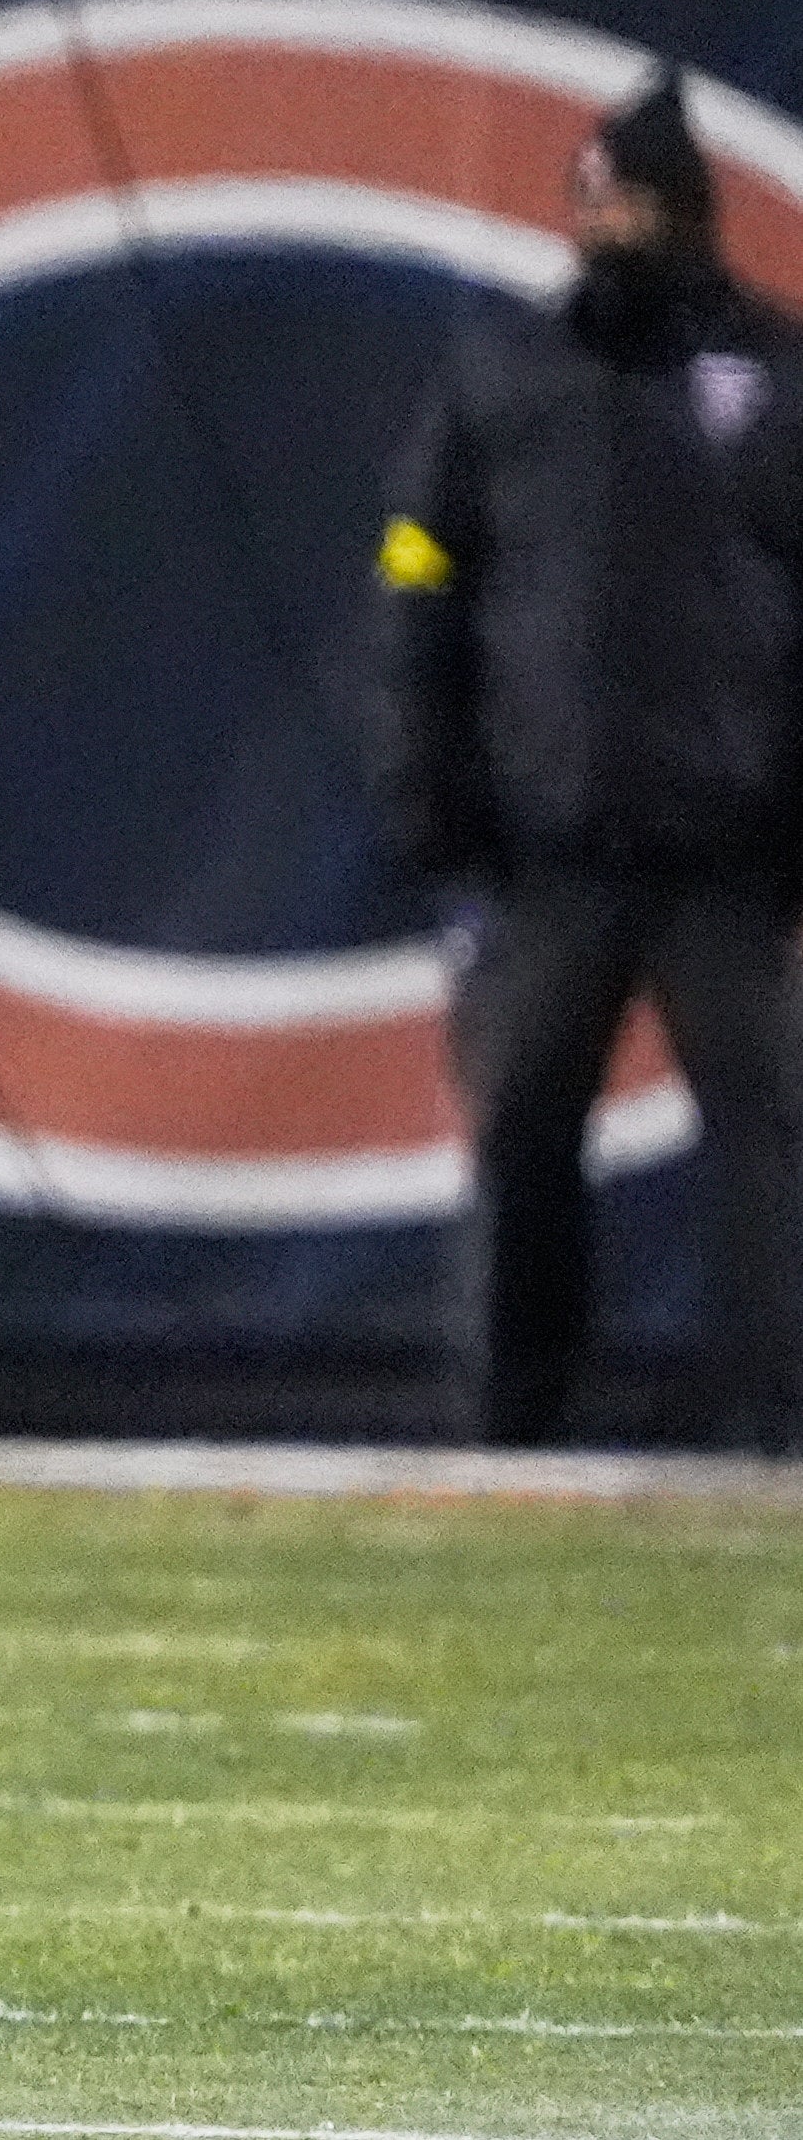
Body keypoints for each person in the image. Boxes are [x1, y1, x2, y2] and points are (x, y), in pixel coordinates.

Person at [377, 76, 803, 1457]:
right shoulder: (507, 375)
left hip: (723, 847)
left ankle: (778, 1422)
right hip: (550, 844)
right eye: (584, 198)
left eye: (622, 197)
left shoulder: (776, 375)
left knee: (767, 1142)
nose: (599, 221)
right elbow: (418, 573)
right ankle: (511, 1421)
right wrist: (432, 781)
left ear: (684, 210)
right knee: (521, 1139)